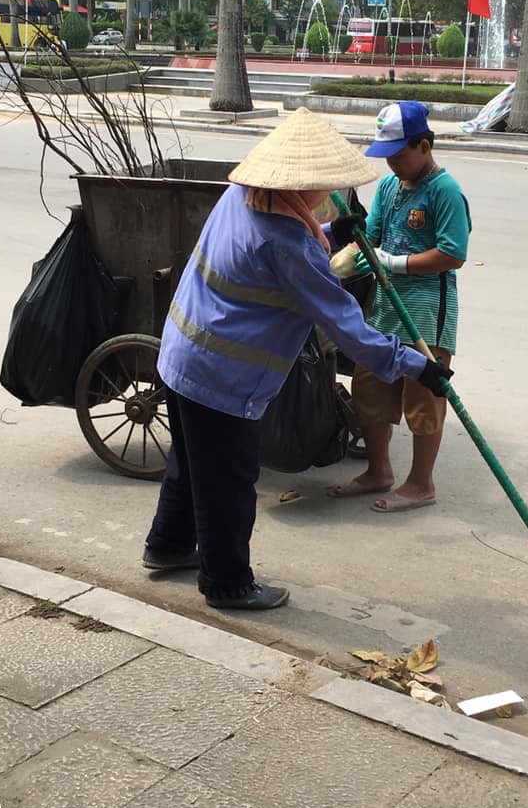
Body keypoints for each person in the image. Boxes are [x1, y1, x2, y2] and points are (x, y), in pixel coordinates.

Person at [142, 108, 451, 611]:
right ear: (301, 184)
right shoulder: (285, 243)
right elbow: (349, 329)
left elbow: (311, 228)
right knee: (228, 481)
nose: (331, 196)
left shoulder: (240, 195)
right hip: (222, 375)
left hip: (181, 354)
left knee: (190, 463)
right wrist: (419, 366)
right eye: (325, 187)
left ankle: (168, 544)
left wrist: (339, 231)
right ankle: (227, 583)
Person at [329, 101, 471, 513]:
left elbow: (453, 253)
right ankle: (379, 470)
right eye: (386, 156)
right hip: (384, 309)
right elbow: (371, 235)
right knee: (369, 387)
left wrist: (397, 263)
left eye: (398, 154)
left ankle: (420, 483)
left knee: (423, 399)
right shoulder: (390, 188)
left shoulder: (445, 191)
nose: (391, 163)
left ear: (424, 146)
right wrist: (352, 256)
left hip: (426, 315)